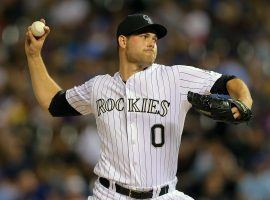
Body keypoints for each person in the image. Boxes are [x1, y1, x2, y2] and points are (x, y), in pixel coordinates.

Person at [25, 14, 253, 200]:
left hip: (163, 195)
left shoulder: (175, 77)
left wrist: (244, 101)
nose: (152, 42)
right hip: (109, 194)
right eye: (144, 36)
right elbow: (54, 103)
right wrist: (34, 56)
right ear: (122, 41)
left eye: (154, 38)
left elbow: (229, 81)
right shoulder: (99, 86)